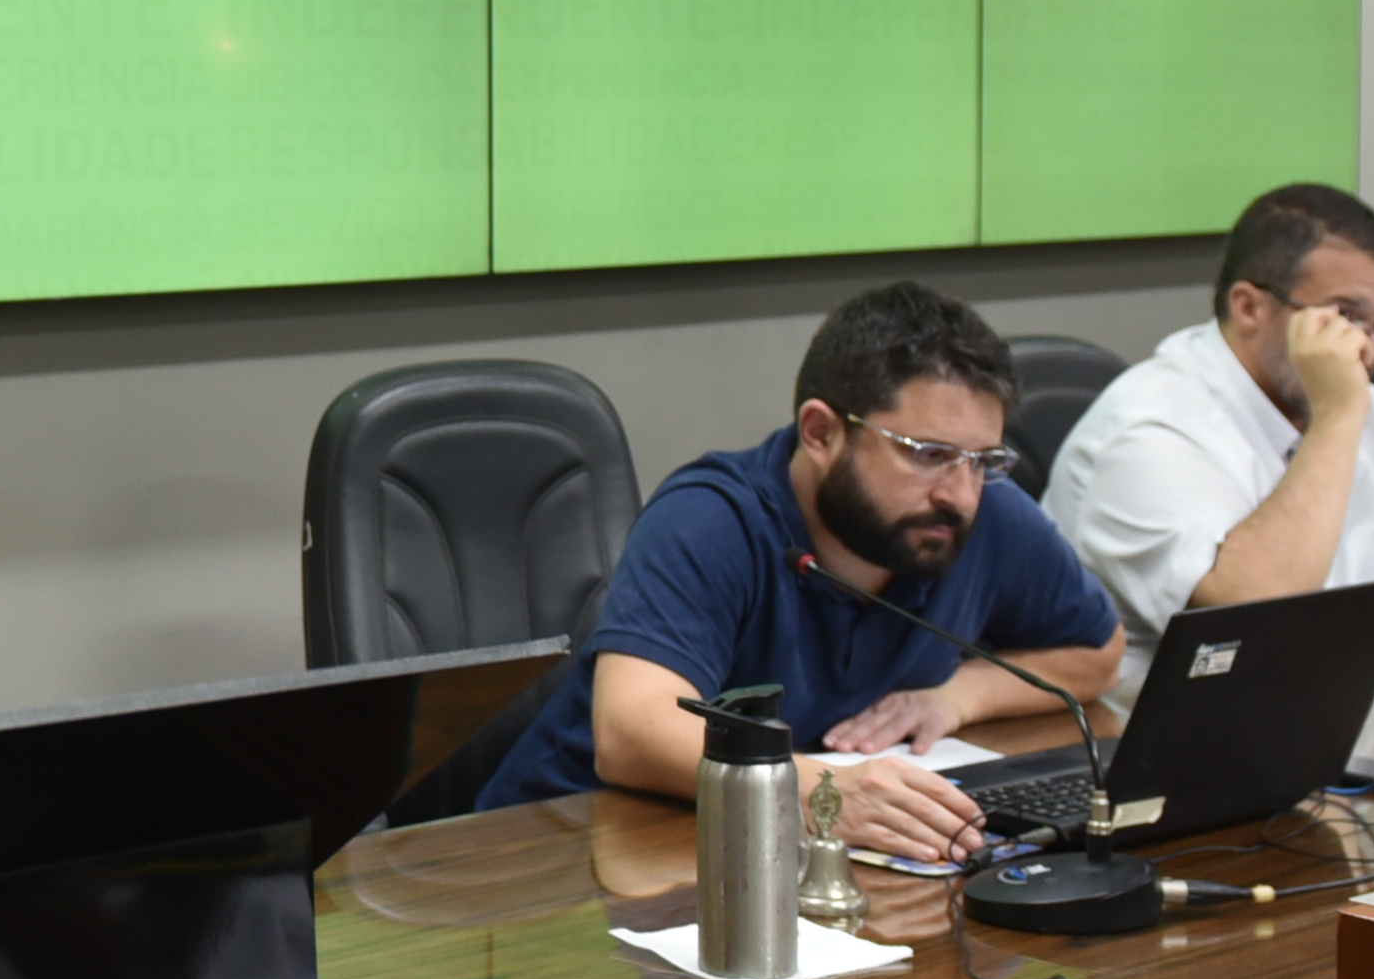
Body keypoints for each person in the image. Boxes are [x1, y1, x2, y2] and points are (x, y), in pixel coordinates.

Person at [474, 282, 1122, 862]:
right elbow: (630, 731)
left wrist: (956, 698)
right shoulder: (709, 521)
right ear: (821, 432)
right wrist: (823, 792)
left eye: (984, 460)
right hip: (568, 860)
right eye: (929, 454)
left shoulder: (978, 515)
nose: (961, 493)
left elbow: (1095, 653)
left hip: (779, 857)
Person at [1043, 182, 1374, 700]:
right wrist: (1337, 418)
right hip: (1202, 743)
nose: (1371, 353)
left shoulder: (1361, 408)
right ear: (1250, 307)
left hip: (1363, 720)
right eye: (1345, 318)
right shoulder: (1147, 430)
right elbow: (1253, 621)